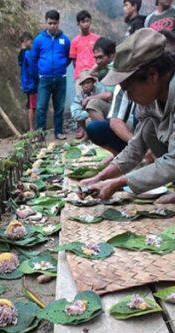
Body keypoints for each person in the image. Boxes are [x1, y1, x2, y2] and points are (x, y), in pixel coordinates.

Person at [81, 29, 175, 204]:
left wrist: (118, 183)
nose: (129, 97)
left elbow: (173, 162)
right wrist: (100, 178)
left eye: (129, 89)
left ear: (152, 76)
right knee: (148, 131)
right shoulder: (153, 99)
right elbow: (137, 145)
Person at [32, 9, 71, 140]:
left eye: (55, 23)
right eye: (50, 23)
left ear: (59, 23)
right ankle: (40, 134)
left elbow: (68, 57)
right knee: (41, 106)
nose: (52, 26)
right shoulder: (39, 40)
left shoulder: (65, 40)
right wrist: (42, 70)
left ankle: (58, 132)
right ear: (46, 23)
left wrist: (60, 67)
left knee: (59, 107)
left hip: (61, 78)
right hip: (44, 78)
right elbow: (34, 57)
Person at [71, 71, 105, 138]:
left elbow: (108, 97)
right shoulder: (79, 96)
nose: (86, 85)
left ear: (93, 83)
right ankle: (88, 134)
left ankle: (104, 134)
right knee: (81, 117)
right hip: (89, 115)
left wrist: (89, 100)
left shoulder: (100, 89)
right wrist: (89, 113)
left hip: (102, 114)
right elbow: (75, 114)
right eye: (83, 84)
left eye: (88, 82)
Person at [70, 10, 99, 81]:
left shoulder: (97, 39)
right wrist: (80, 72)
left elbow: (100, 57)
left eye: (87, 21)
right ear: (78, 24)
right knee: (80, 92)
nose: (86, 24)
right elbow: (74, 61)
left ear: (90, 22)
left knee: (98, 92)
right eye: (83, 22)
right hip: (80, 76)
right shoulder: (74, 41)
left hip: (94, 74)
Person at [18, 32, 39, 132]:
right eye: (31, 41)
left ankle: (32, 127)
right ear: (26, 41)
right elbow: (32, 69)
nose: (32, 43)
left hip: (27, 83)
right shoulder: (27, 53)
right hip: (31, 84)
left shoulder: (21, 54)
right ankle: (32, 128)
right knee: (32, 106)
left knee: (31, 105)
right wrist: (38, 78)